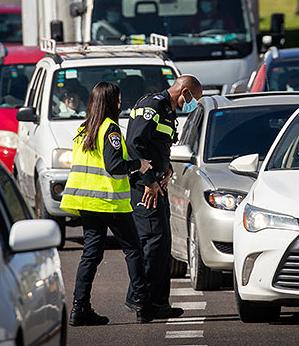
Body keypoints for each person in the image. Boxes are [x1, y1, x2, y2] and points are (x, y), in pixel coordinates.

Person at [59, 82, 155, 326]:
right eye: (119, 99)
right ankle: (143, 305)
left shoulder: (84, 129)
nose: (121, 103)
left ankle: (79, 308)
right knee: (134, 250)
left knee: (90, 254)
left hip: (86, 202)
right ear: (111, 103)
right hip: (109, 203)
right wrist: (139, 165)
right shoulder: (110, 130)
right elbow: (115, 167)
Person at [124, 75, 203, 319]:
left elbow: (158, 145)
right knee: (151, 242)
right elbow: (134, 146)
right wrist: (148, 182)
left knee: (161, 245)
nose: (191, 104)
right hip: (144, 186)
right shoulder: (153, 106)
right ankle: (139, 300)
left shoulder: (167, 111)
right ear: (185, 92)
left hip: (158, 183)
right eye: (193, 99)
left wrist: (166, 167)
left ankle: (158, 303)